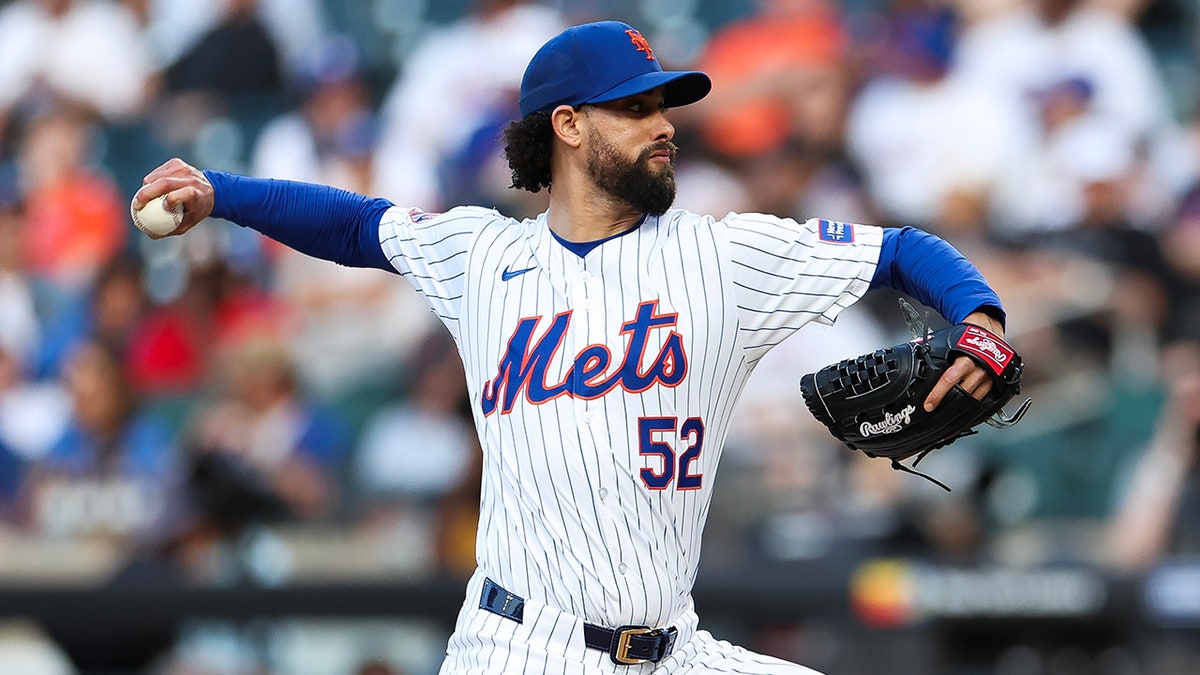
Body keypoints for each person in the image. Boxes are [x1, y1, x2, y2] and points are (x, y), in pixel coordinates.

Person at [132, 20, 1010, 673]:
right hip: (520, 647)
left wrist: (980, 316)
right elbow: (357, 225)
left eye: (664, 105)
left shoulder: (724, 254)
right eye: (635, 107)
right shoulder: (481, 255)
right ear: (569, 126)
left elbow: (900, 250)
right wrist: (223, 189)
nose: (664, 123)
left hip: (676, 649)